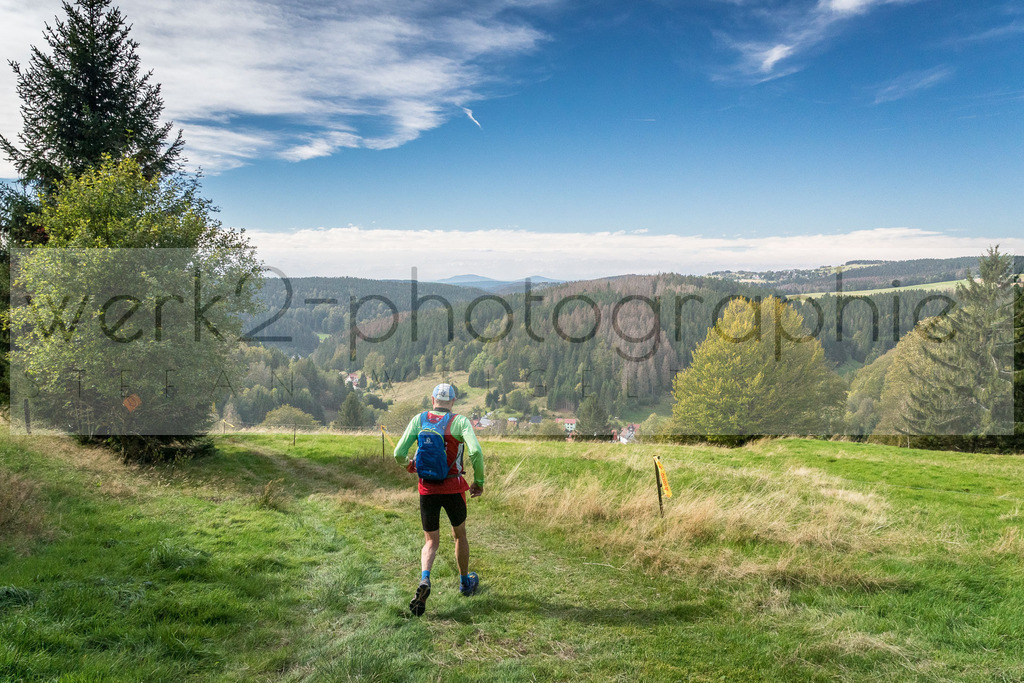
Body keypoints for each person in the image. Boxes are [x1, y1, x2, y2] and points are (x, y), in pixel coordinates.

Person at [394, 383, 485, 616]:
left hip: (427, 490)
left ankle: (425, 579)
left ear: (433, 399)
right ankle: (465, 583)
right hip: (454, 487)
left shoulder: (419, 419)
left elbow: (398, 453)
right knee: (459, 535)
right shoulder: (460, 422)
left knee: (431, 542)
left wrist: (409, 466)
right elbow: (475, 452)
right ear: (453, 401)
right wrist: (479, 482)